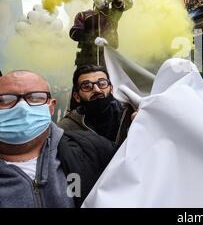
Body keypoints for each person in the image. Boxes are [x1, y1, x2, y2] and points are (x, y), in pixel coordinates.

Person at [0, 70, 116, 208]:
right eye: (6, 99)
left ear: (51, 107)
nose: (22, 108)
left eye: (36, 97)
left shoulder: (92, 148)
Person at [69, 0, 133, 68]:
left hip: (109, 61)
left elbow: (129, 2)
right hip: (87, 60)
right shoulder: (83, 15)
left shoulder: (113, 14)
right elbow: (74, 33)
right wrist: (93, 39)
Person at [58, 65, 134, 145]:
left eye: (102, 83)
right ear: (77, 97)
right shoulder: (65, 129)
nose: (97, 90)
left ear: (111, 89)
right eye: (87, 86)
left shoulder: (129, 117)